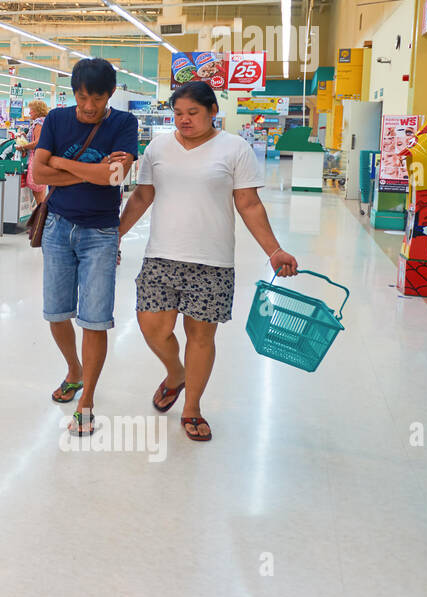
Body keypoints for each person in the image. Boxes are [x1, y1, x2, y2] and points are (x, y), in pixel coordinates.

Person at [118, 80, 299, 443]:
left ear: (213, 111)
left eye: (193, 113)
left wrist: (274, 250)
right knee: (152, 325)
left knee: (200, 336)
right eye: (179, 114)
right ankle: (176, 374)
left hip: (212, 260)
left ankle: (193, 407)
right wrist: (115, 236)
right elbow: (142, 196)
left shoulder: (235, 148)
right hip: (161, 255)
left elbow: (248, 204)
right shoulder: (158, 147)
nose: (184, 120)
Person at [29, 58, 138, 437]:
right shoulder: (57, 119)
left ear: (110, 94)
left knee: (94, 319)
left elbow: (115, 177)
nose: (88, 105)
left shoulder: (124, 124)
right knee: (55, 313)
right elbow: (37, 174)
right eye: (81, 96)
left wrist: (59, 161)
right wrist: (88, 171)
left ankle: (86, 398)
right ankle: (73, 369)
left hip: (102, 233)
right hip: (58, 227)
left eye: (96, 97)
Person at [15, 99, 51, 205]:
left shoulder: (38, 122)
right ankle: (42, 217)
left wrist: (23, 147)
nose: (29, 112)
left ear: (37, 110)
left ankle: (41, 219)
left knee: (39, 196)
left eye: (31, 110)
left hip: (37, 160)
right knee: (41, 192)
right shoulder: (45, 121)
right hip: (44, 159)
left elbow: (38, 142)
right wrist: (26, 137)